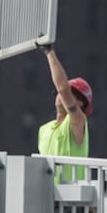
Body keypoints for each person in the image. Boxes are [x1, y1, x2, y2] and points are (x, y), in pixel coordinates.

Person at [34, 42, 91, 182]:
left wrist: (49, 52)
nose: (62, 96)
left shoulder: (78, 121)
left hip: (70, 200)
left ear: (80, 103)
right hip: (45, 198)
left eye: (72, 95)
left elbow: (62, 88)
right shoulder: (44, 129)